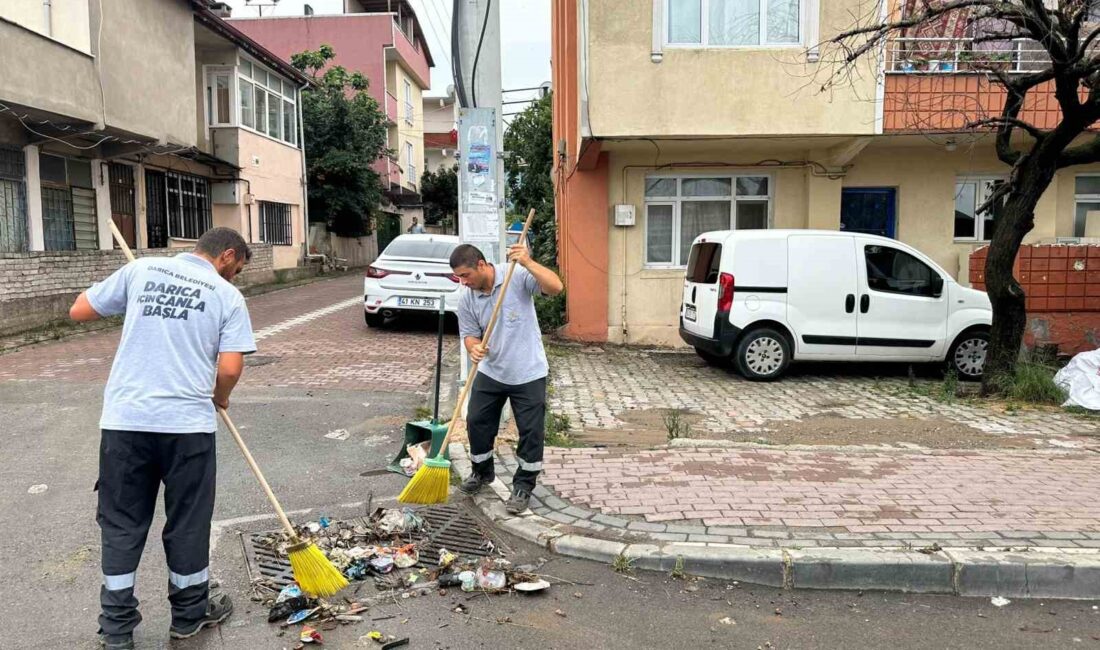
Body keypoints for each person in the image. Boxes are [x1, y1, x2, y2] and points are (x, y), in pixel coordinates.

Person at [69, 227, 256, 650]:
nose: (235, 278)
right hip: (187, 428)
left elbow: (79, 310)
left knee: (121, 523)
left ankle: (116, 630)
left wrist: (138, 303)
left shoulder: (142, 271)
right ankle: (189, 616)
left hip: (125, 422)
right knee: (188, 521)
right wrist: (220, 398)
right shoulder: (227, 297)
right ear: (227, 256)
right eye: (238, 270)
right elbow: (228, 369)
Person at [451, 242, 564, 514]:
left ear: (481, 264)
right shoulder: (467, 297)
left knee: (530, 431)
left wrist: (527, 261)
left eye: (465, 275)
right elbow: (468, 334)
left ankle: (524, 485)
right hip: (492, 372)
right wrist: (473, 347)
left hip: (528, 372)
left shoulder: (516, 274)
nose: (463, 282)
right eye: (459, 277)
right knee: (477, 420)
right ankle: (482, 472)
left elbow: (556, 287)